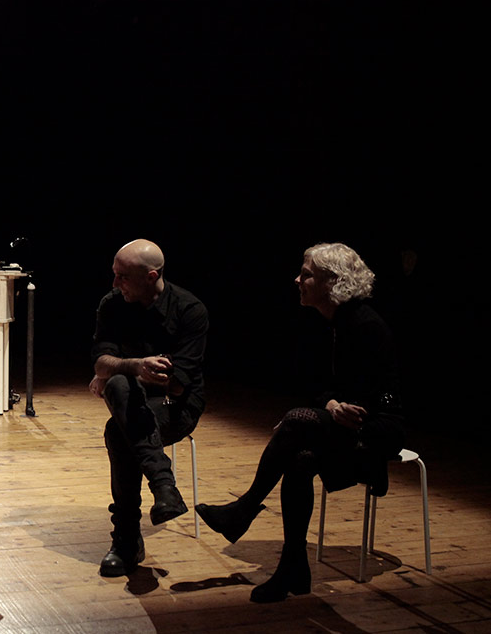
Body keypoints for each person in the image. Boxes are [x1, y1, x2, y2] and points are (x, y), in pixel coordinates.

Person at [196, 242, 405, 603]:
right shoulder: (327, 324)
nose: (297, 280)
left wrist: (344, 410)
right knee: (299, 459)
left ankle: (245, 509)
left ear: (332, 282)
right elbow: (316, 388)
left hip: (376, 430)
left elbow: (379, 397)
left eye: (306, 275)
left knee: (295, 421)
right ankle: (293, 568)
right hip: (341, 424)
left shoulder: (366, 326)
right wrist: (331, 405)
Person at [89, 239, 208, 577]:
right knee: (118, 386)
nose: (115, 283)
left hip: (176, 407)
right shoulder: (112, 304)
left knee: (118, 429)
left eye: (123, 276)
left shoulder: (189, 310)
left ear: (151, 276)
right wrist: (136, 366)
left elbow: (178, 384)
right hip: (132, 401)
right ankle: (163, 486)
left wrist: (121, 370)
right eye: (114, 274)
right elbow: (100, 364)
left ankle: (127, 540)